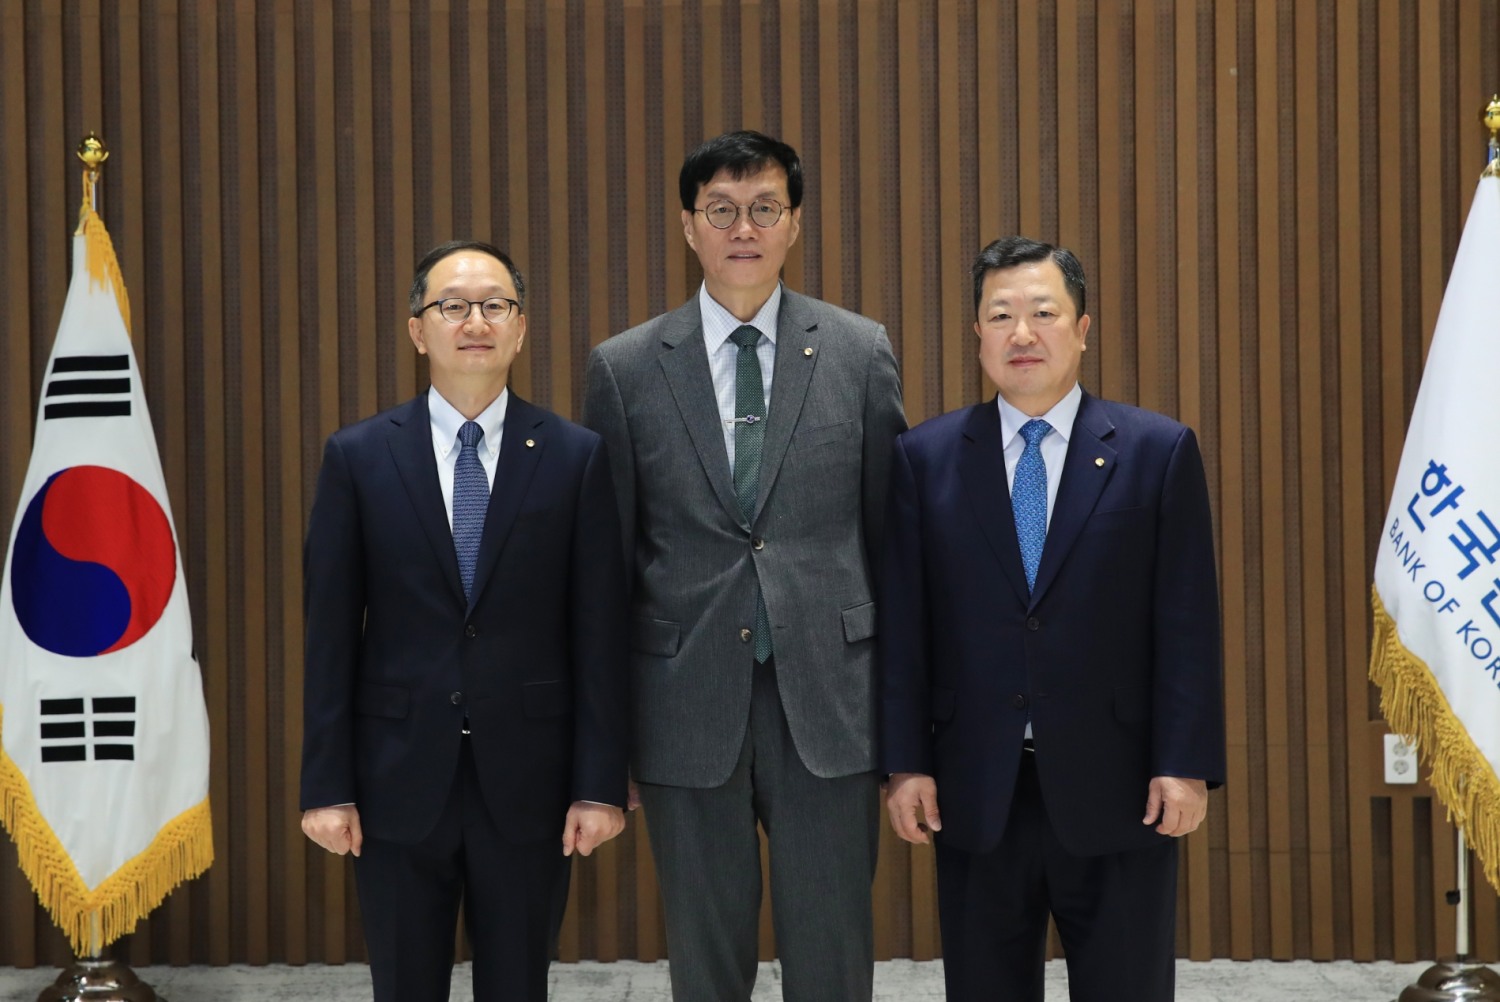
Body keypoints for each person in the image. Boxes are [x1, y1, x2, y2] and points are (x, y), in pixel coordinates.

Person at [582, 130, 906, 1001]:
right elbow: (606, 569)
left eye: (764, 208)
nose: (743, 228)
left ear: (794, 223)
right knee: (705, 956)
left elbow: (892, 548)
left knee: (833, 954)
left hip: (829, 702)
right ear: (689, 226)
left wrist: (906, 722)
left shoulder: (858, 350)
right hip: (684, 700)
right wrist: (605, 740)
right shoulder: (623, 368)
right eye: (721, 210)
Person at [879, 236, 1225, 1001]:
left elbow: (1188, 622)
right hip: (976, 787)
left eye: (1043, 312)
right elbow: (906, 630)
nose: (1022, 334)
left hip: (1123, 784)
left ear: (1083, 327)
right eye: (1000, 315)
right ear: (977, 334)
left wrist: (1186, 761)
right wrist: (905, 763)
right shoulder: (925, 458)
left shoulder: (1156, 451)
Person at [299, 240, 629, 1002]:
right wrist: (327, 785)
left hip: (531, 782)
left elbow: (599, 632)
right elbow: (328, 635)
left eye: (494, 305)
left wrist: (598, 784)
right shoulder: (358, 457)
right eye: (453, 305)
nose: (474, 320)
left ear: (520, 328)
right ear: (419, 330)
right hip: (394, 779)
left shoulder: (576, 457)